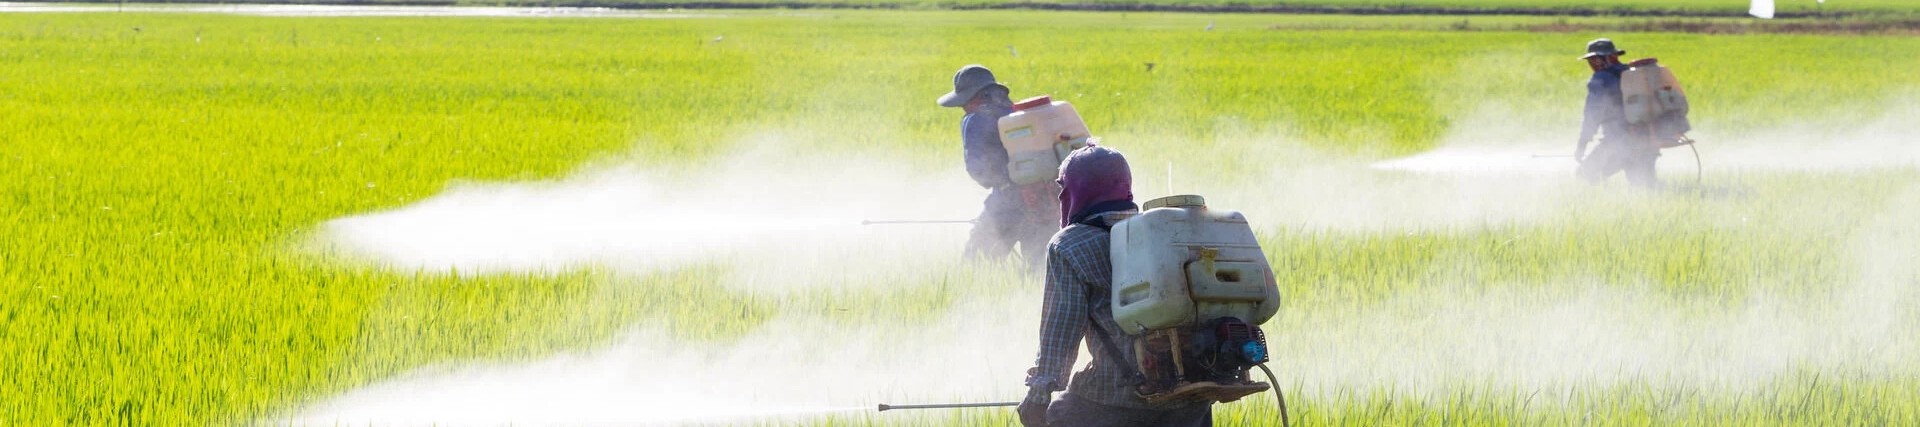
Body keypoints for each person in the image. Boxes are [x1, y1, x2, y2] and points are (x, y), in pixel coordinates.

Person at [1017, 146, 1212, 427]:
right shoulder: (1164, 232)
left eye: (1064, 187)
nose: (1061, 196)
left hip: (1117, 398)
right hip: (1193, 394)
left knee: (1059, 414)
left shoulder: (1069, 245)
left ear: (1077, 190)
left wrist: (1038, 395)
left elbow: (1060, 332)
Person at [938, 65, 1060, 268]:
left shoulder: (975, 119)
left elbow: (977, 169)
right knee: (1040, 272)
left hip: (1006, 203)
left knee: (976, 265)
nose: (962, 108)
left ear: (972, 98)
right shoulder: (1016, 113)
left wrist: (999, 182)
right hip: (1045, 201)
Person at [1574, 38, 1660, 189]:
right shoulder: (1634, 74)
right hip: (1648, 140)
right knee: (1646, 189)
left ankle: (1602, 208)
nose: (1592, 64)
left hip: (1619, 143)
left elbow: (1592, 114)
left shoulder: (1601, 78)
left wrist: (1582, 145)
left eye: (1593, 60)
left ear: (1603, 59)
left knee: (1585, 174)